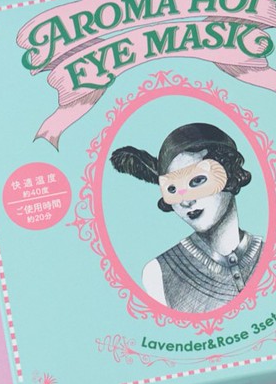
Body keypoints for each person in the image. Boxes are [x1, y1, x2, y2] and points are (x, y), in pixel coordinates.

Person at [110, 122, 263, 312]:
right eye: (172, 189)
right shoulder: (158, 274)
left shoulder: (271, 252)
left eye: (197, 180)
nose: (186, 201)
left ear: (230, 173)